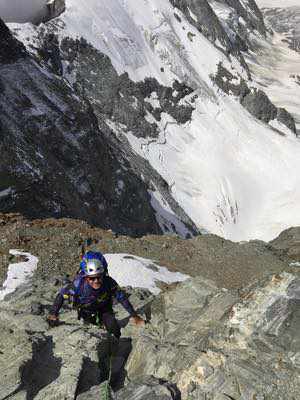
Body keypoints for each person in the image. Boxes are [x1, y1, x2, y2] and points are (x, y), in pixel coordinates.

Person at [47, 251, 145, 338]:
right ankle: (98, 323)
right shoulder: (78, 285)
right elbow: (61, 295)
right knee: (90, 324)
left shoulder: (109, 283)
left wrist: (135, 316)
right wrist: (53, 313)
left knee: (114, 329)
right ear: (86, 277)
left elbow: (122, 298)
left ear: (103, 275)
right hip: (86, 310)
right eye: (92, 278)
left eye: (99, 277)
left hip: (104, 308)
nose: (96, 281)